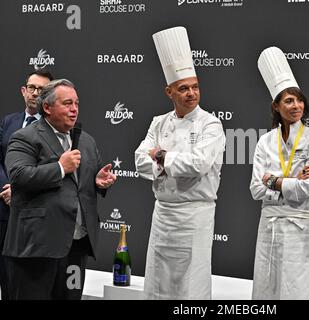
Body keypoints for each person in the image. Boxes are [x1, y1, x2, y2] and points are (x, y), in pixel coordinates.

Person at [3, 79, 116, 300]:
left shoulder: (86, 141)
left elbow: (80, 184)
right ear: (47, 107)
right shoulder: (25, 137)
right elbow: (18, 175)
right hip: (37, 248)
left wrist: (97, 181)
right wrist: (59, 168)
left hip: (75, 247)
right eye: (67, 103)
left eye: (76, 103)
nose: (74, 109)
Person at [135, 26, 225, 300]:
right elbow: (139, 160)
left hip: (195, 216)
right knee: (158, 281)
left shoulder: (211, 123)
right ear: (169, 92)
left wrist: (160, 157)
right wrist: (164, 161)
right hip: (163, 215)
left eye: (195, 87)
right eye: (183, 88)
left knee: (191, 285)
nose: (191, 93)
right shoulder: (159, 122)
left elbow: (197, 164)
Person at [249, 47, 309, 300]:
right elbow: (254, 189)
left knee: (299, 287)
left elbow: (307, 189)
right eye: (289, 101)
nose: (297, 106)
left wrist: (273, 181)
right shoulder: (265, 142)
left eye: (299, 100)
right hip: (269, 226)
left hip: (301, 226)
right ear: (276, 106)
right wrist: (291, 182)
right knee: (267, 288)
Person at [0, 69, 53, 300]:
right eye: (32, 88)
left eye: (42, 90)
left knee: (26, 284)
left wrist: (19, 190)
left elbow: (53, 169)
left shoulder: (56, 128)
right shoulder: (9, 121)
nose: (35, 94)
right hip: (4, 210)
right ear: (24, 91)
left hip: (35, 214)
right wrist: (6, 189)